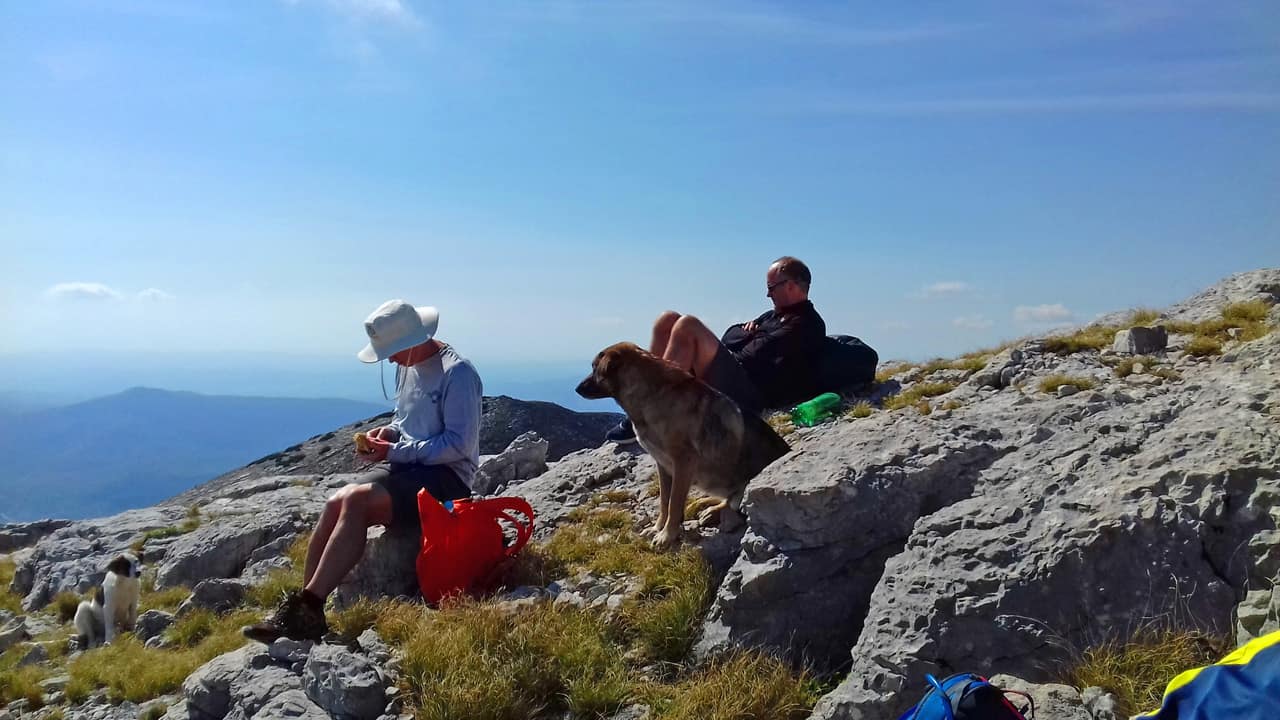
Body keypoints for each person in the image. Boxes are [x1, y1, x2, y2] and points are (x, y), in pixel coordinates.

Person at [243, 299, 482, 643]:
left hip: (449, 481)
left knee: (356, 500)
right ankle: (301, 611)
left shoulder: (458, 374)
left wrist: (394, 450)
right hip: (411, 471)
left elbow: (458, 445)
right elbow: (406, 421)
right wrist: (389, 434)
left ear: (414, 340)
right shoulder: (410, 365)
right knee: (336, 502)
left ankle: (310, 605)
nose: (390, 359)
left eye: (394, 351)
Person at [605, 256, 826, 444]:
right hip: (738, 374)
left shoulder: (804, 323)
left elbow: (753, 355)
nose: (768, 295)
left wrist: (745, 338)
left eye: (771, 287)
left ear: (790, 285)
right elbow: (731, 336)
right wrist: (748, 335)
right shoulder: (773, 316)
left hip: (751, 394)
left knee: (687, 325)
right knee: (667, 320)